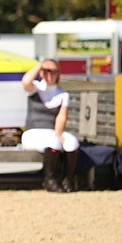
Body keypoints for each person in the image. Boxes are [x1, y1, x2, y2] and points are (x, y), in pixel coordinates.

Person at [21, 59, 80, 192]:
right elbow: (25, 82)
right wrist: (40, 65)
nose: (50, 75)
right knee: (54, 141)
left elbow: (61, 117)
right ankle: (49, 180)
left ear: (58, 73)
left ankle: (67, 180)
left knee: (72, 142)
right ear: (41, 72)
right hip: (33, 132)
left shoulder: (62, 94)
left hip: (51, 131)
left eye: (53, 71)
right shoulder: (35, 88)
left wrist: (59, 133)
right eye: (46, 71)